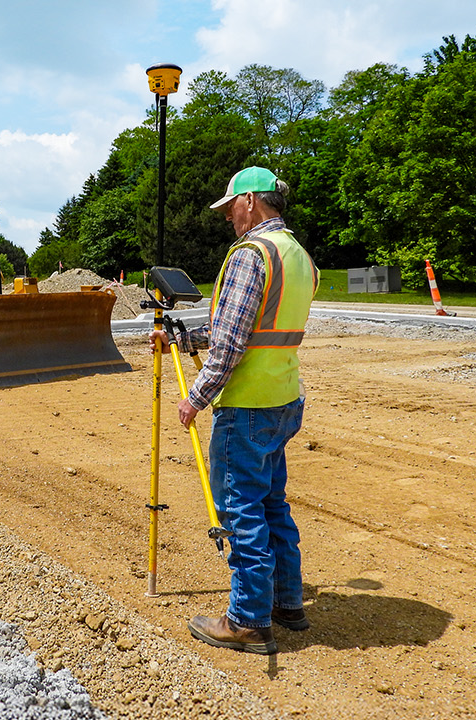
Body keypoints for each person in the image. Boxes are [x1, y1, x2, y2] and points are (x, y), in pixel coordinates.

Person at [150, 166, 319, 655]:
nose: (228, 218)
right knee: (271, 505)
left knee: (241, 509)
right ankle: (287, 603)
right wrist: (183, 339)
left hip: (245, 405)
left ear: (250, 201)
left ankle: (246, 619)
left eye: (229, 208)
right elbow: (256, 329)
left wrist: (194, 398)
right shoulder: (298, 256)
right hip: (283, 398)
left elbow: (230, 345)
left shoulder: (252, 253)